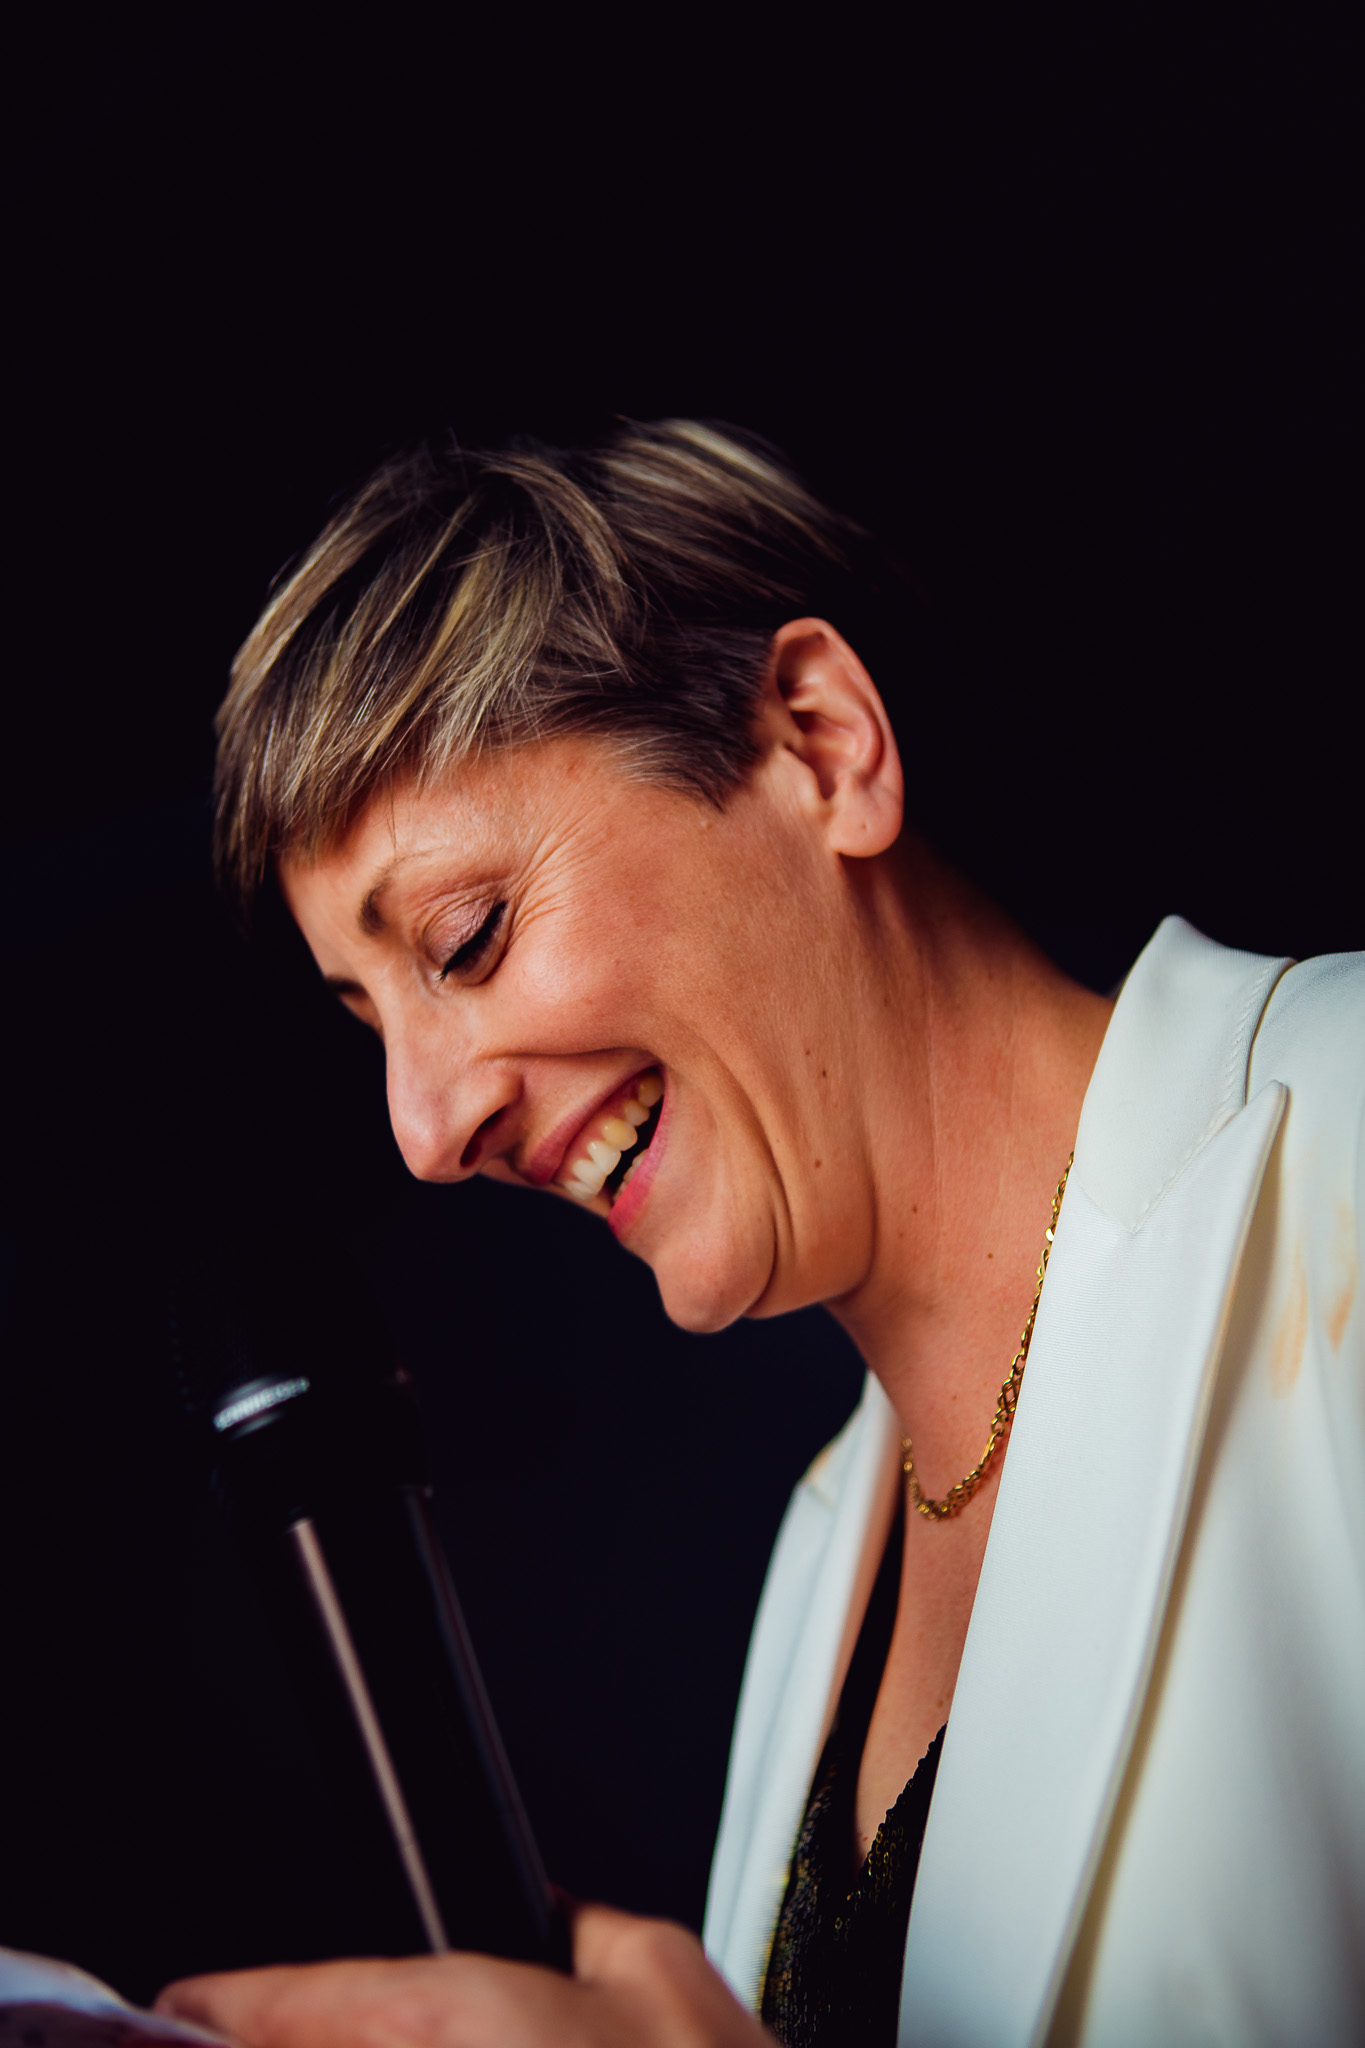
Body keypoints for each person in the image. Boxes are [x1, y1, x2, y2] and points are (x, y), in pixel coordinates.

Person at [154, 421, 1363, 2046]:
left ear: (816, 743)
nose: (424, 1132)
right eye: (365, 1019)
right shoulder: (823, 1563)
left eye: (468, 935)